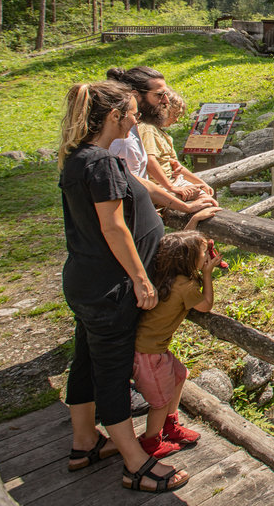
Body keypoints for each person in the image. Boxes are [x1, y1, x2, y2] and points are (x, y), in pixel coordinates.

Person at [58, 81, 213, 492]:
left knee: (88, 360)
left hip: (87, 281)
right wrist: (142, 279)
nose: (135, 119)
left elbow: (138, 186)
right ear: (113, 117)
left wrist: (183, 207)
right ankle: (135, 462)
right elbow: (113, 226)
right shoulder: (101, 163)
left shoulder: (80, 158)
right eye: (129, 113)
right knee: (111, 372)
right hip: (111, 286)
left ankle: (85, 442)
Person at [132, 222, 221, 458]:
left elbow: (181, 240)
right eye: (203, 254)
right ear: (188, 259)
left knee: (180, 374)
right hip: (149, 353)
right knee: (159, 402)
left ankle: (170, 425)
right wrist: (207, 274)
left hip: (150, 349)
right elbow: (205, 305)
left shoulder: (166, 274)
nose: (206, 257)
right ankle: (151, 442)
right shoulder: (186, 285)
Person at [138, 90, 214, 202]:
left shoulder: (161, 133)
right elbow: (150, 161)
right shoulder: (148, 129)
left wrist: (200, 182)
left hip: (171, 181)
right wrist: (171, 187)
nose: (176, 119)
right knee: (205, 201)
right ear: (165, 109)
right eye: (175, 114)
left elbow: (177, 167)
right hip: (160, 186)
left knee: (206, 197)